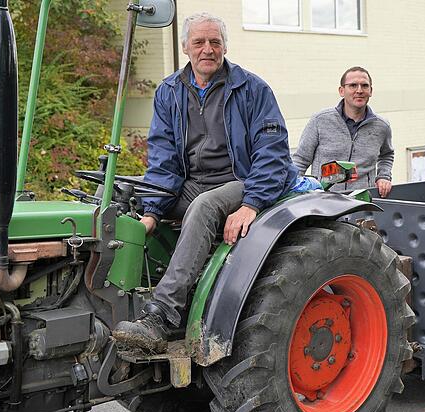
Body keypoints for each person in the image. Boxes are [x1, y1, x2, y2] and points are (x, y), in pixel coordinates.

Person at [113, 12, 300, 352]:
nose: (207, 49)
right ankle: (114, 303)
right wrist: (152, 212)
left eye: (215, 42)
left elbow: (272, 154)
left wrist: (250, 204)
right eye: (199, 42)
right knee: (121, 199)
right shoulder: (169, 92)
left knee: (204, 206)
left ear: (224, 46)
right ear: (186, 47)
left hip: (242, 179)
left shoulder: (251, 89)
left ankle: (163, 314)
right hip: (193, 181)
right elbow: (163, 157)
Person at [292, 66, 394, 197]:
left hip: (361, 201)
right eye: (353, 85)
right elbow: (300, 159)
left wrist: (384, 176)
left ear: (371, 91)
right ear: (341, 91)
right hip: (323, 201)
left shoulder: (381, 126)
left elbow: (387, 154)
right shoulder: (320, 120)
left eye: (364, 86)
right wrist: (292, 191)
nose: (359, 90)